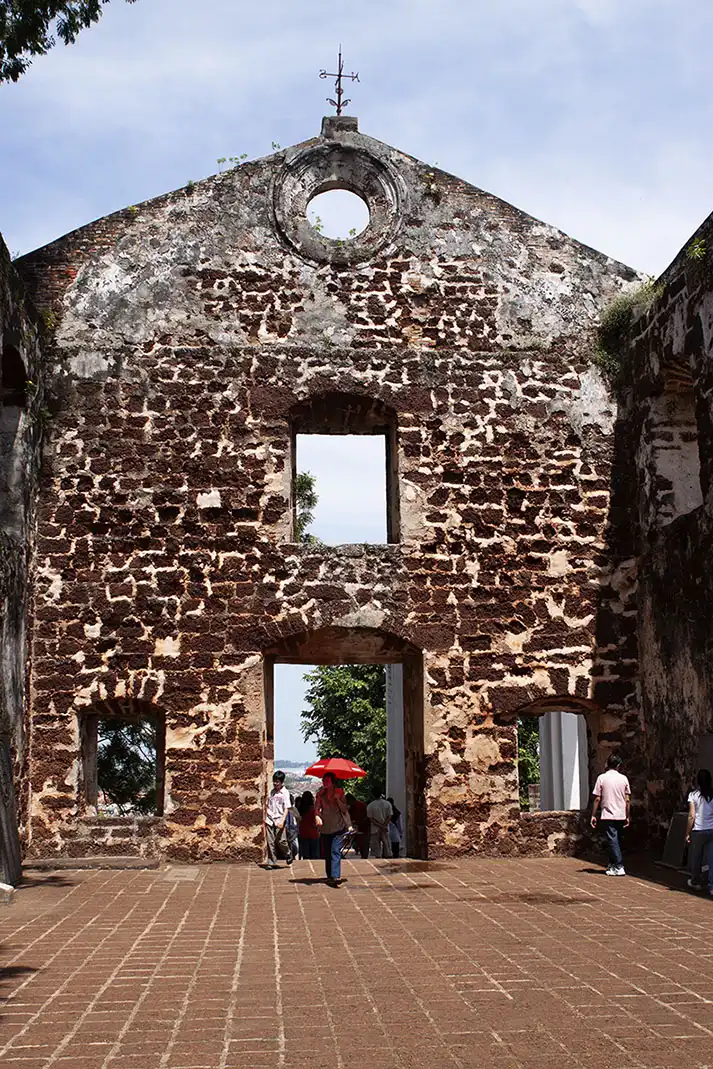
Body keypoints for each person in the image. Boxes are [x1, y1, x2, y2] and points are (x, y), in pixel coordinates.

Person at [590, 754, 631, 876]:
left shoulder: (602, 778)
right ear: (618, 766)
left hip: (608, 813)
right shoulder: (623, 779)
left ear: (607, 764)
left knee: (612, 839)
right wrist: (628, 815)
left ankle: (618, 865)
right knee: (616, 839)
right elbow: (627, 799)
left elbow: (597, 798)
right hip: (620, 813)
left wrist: (593, 814)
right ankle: (612, 864)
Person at [314, 772, 352, 887]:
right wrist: (317, 817)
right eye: (323, 781)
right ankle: (330, 875)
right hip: (325, 828)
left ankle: (335, 876)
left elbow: (344, 809)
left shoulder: (339, 792)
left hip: (338, 827)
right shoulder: (320, 794)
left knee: (335, 850)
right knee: (327, 852)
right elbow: (317, 808)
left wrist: (338, 800)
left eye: (327, 781)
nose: (325, 783)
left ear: (332, 782)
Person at [686, 769, 713, 892]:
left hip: (698, 829)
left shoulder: (693, 795)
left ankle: (696, 881)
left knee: (696, 857)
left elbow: (691, 815)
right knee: (711, 858)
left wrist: (687, 832)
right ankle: (711, 884)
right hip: (711, 829)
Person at [264, 770, 292, 869]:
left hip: (280, 819)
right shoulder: (272, 792)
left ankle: (288, 853)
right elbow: (268, 805)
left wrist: (282, 820)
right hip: (270, 819)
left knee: (281, 840)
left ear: (282, 782)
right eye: (274, 781)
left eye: (277, 782)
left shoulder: (285, 793)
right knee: (270, 841)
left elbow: (287, 808)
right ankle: (272, 861)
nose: (275, 784)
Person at [366, 790, 392, 858]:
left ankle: (378, 859)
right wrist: (384, 826)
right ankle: (388, 857)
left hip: (375, 828)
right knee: (386, 845)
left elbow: (371, 819)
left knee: (376, 848)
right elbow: (389, 816)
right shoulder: (387, 804)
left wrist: (380, 826)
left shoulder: (370, 805)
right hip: (385, 828)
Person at [297, 790, 320, 860]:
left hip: (303, 832)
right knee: (314, 854)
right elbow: (317, 821)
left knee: (305, 855)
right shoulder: (313, 809)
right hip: (313, 833)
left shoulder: (300, 809)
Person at [346, 792, 370, 858]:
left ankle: (364, 856)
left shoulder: (360, 806)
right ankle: (362, 854)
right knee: (359, 843)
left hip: (364, 828)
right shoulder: (352, 807)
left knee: (364, 844)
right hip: (357, 828)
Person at [285, 794, 300, 863]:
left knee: (293, 846)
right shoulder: (293, 809)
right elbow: (298, 818)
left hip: (292, 830)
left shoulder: (292, 809)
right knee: (294, 846)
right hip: (292, 830)